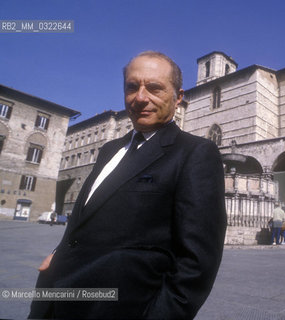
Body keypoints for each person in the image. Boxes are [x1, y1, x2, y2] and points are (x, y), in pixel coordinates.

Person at [29, 51, 227, 319]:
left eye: (155, 88)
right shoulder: (110, 149)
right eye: (132, 87)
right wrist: (58, 253)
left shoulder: (195, 153)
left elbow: (197, 264)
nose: (141, 97)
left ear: (178, 97)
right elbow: (86, 219)